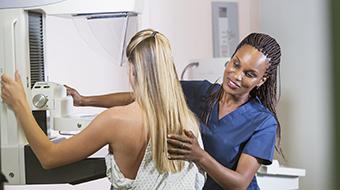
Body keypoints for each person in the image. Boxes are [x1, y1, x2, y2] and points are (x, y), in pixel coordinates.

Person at [65, 32, 282, 190]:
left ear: (261, 80)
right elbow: (145, 95)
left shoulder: (263, 122)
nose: (236, 76)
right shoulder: (202, 92)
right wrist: (84, 100)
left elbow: (240, 183)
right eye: (235, 64)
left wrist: (199, 156)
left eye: (249, 74)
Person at [0, 29, 205, 189]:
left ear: (132, 69)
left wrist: (20, 104)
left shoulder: (115, 121)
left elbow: (49, 157)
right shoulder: (186, 121)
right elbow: (138, 99)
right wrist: (84, 100)